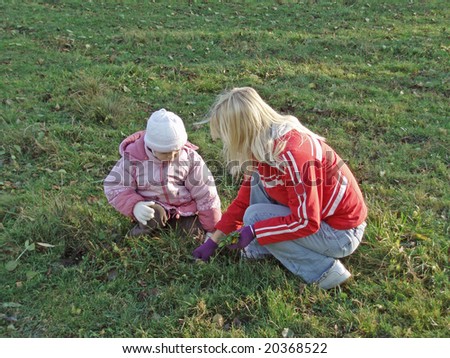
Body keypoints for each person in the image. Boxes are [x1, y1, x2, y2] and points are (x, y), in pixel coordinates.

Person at [192, 87, 367, 289]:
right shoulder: (264, 148)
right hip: (320, 223)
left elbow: (306, 222)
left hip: (340, 234)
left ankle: (325, 272)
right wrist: (214, 241)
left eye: (226, 135)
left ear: (242, 131)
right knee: (255, 198)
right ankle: (259, 251)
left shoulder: (293, 156)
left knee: (257, 218)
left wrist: (256, 230)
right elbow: (243, 201)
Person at [104, 108, 221, 239]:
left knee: (195, 233)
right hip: (152, 208)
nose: (171, 156)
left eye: (176, 151)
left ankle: (167, 231)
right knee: (153, 216)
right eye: (165, 153)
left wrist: (212, 229)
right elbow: (115, 185)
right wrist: (135, 205)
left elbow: (206, 193)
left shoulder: (190, 159)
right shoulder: (134, 159)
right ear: (151, 147)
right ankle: (131, 239)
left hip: (182, 210)